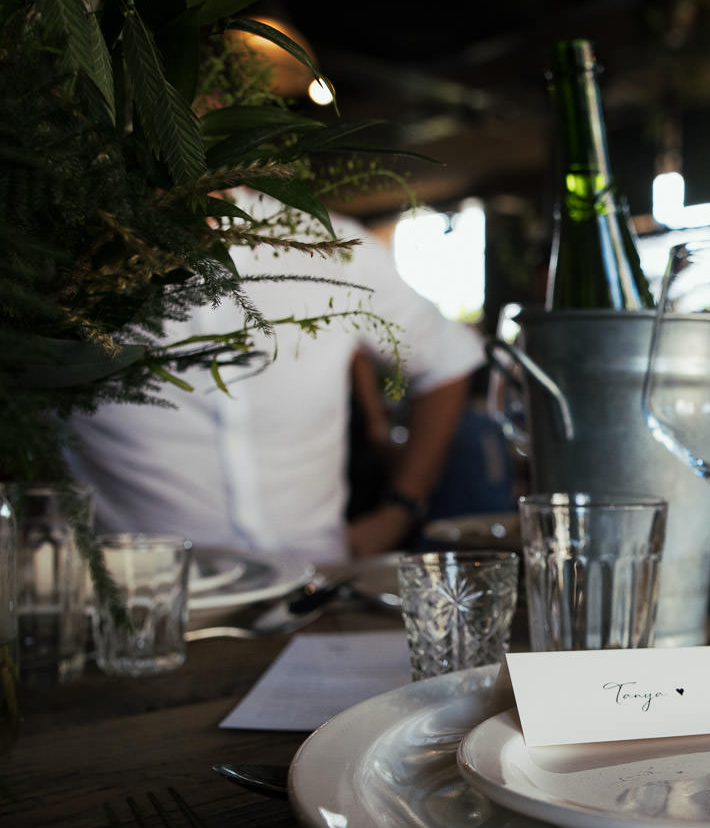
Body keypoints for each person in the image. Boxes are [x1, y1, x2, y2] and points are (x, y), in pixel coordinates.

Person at [67, 191, 486, 562]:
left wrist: (401, 508)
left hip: (318, 588)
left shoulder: (323, 244)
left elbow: (447, 358)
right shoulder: (67, 254)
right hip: (139, 601)